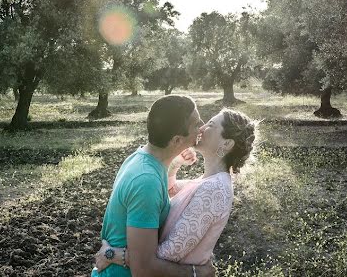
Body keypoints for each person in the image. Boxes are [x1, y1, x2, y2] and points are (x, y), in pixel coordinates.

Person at [94, 109, 257, 275]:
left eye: (211, 125)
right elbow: (169, 190)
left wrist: (114, 254)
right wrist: (175, 165)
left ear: (227, 144)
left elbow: (169, 253)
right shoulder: (208, 181)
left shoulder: (215, 189)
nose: (201, 128)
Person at [90, 95, 216, 277]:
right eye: (196, 123)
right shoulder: (146, 181)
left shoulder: (142, 158)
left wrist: (174, 163)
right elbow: (144, 270)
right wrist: (196, 273)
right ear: (177, 141)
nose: (202, 126)